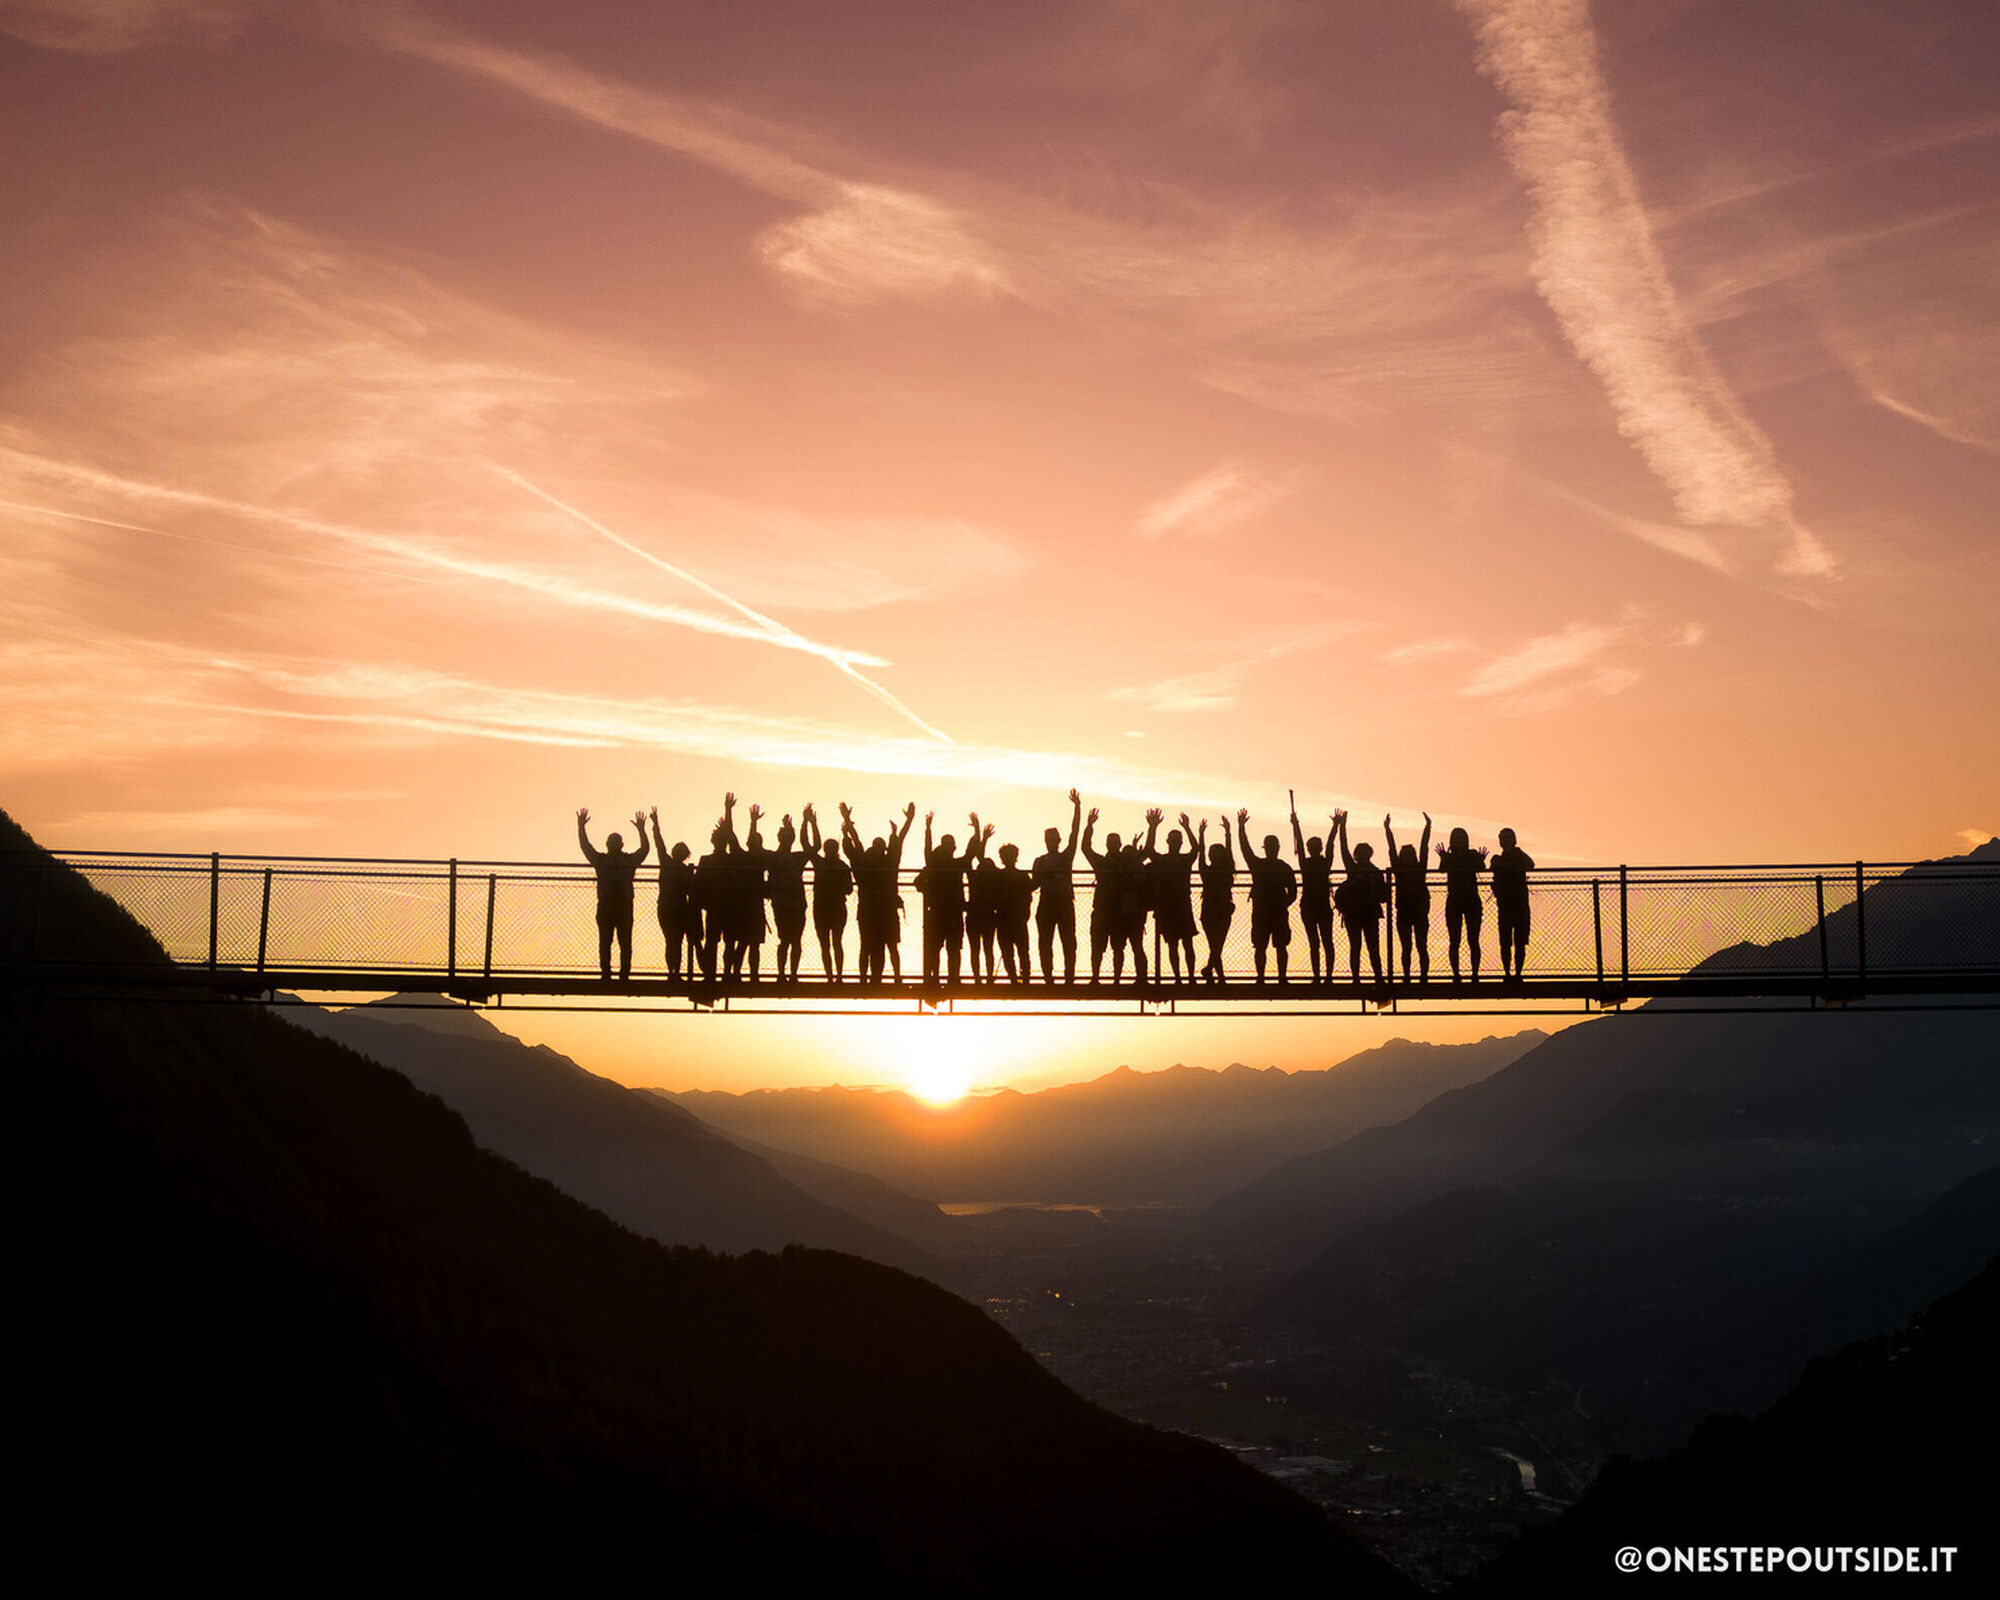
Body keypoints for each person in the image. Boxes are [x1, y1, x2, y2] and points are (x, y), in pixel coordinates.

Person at [843, 801, 916, 984]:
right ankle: (874, 978)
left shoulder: (873, 864)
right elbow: (856, 845)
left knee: (883, 947)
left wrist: (908, 822)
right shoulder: (882, 864)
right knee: (874, 947)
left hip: (877, 912)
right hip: (878, 912)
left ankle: (876, 978)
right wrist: (846, 823)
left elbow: (897, 840)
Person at [576, 806, 649, 981]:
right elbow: (586, 847)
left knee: (623, 942)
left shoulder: (617, 860)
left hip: (621, 905)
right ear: (609, 845)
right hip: (609, 904)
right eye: (613, 842)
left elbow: (644, 850)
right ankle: (608, 973)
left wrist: (641, 830)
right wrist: (581, 828)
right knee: (607, 941)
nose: (614, 845)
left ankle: (622, 974)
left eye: (616, 842)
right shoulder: (605, 860)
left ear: (619, 845)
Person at [916, 811, 987, 986]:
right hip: (937, 912)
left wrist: (977, 830)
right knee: (934, 949)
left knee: (954, 949)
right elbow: (919, 877)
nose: (947, 848)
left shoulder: (957, 864)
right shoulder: (933, 865)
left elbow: (972, 851)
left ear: (954, 848)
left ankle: (953, 979)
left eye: (950, 845)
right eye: (945, 845)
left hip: (954, 913)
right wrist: (928, 829)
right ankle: (934, 978)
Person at [1235, 808, 1297, 984]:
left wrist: (1284, 904)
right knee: (1263, 946)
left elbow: (1292, 892)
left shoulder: (1274, 867)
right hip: (1266, 911)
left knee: (1277, 946)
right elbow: (1245, 848)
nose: (1271, 849)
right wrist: (1241, 828)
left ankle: (1278, 978)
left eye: (1272, 847)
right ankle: (1266, 978)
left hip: (1272, 911)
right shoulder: (1276, 866)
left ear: (1275, 848)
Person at [1031, 789, 1083, 983]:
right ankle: (1048, 977)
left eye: (1053, 840)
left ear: (1058, 841)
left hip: (1063, 903)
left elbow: (1074, 833)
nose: (1050, 843)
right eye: (1048, 840)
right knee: (1045, 942)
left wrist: (1077, 808)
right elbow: (1033, 884)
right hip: (1047, 903)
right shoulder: (1040, 861)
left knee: (1069, 941)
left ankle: (1069, 977)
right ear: (1045, 842)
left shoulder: (1066, 856)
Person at [1331, 810, 1386, 985]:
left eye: (1364, 853)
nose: (1361, 856)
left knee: (1371, 948)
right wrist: (1342, 827)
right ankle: (1357, 979)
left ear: (1369, 854)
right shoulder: (1357, 869)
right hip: (1355, 914)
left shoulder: (1375, 872)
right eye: (1359, 853)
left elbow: (1383, 895)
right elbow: (1343, 847)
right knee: (1357, 947)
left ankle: (1377, 978)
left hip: (1368, 913)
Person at [800, 803, 853, 981]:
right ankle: (831, 975)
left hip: (834, 908)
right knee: (827, 944)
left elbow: (849, 889)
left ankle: (836, 975)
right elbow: (807, 845)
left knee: (835, 943)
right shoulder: (824, 864)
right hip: (824, 909)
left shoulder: (839, 866)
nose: (829, 851)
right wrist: (809, 823)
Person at [1290, 792, 1337, 983]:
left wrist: (1335, 827)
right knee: (1320, 942)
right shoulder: (1318, 863)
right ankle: (1323, 977)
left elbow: (1330, 844)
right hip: (1313, 906)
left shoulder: (1314, 863)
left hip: (1315, 906)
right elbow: (1301, 845)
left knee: (1319, 942)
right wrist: (1296, 825)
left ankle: (1323, 977)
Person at [647, 807, 697, 979]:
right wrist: (656, 825)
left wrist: (656, 825)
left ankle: (674, 972)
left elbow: (659, 845)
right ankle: (673, 972)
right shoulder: (671, 864)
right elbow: (659, 843)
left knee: (675, 942)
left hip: (675, 909)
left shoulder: (677, 867)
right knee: (673, 941)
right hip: (670, 908)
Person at [1383, 811, 1433, 982]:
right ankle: (1406, 976)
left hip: (1419, 912)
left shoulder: (1420, 869)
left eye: (1410, 854)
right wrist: (1387, 830)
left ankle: (1424, 977)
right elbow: (1391, 850)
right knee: (1406, 947)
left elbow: (1424, 848)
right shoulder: (1398, 870)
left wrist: (1428, 828)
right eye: (1404, 855)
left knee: (1421, 946)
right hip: (1404, 912)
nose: (1407, 857)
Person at [1151, 814, 1200, 983]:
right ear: (1168, 842)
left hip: (1182, 906)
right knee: (1173, 945)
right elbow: (1150, 850)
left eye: (1177, 840)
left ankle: (1191, 977)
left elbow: (1196, 849)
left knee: (1187, 943)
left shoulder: (1185, 860)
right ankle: (1178, 978)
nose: (1175, 842)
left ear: (1180, 843)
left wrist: (1187, 827)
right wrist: (1153, 827)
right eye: (1172, 839)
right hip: (1167, 907)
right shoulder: (1162, 860)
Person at [1436, 826, 1488, 982]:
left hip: (1471, 900)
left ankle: (1475, 974)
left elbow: (1482, 868)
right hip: (1454, 901)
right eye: (1456, 838)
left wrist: (1480, 860)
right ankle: (1456, 974)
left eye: (1461, 838)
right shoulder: (1449, 857)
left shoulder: (1472, 855)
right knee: (1454, 940)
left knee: (1473, 940)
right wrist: (1443, 857)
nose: (1458, 841)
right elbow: (1441, 870)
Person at [765, 813, 809, 981]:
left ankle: (792, 974)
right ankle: (782, 974)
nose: (786, 840)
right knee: (785, 940)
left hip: (796, 905)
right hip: (782, 905)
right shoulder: (773, 857)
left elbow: (813, 847)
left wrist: (805, 822)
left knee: (795, 940)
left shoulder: (797, 858)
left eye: (788, 837)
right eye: (783, 837)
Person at [1490, 827, 1536, 981]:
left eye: (1509, 837)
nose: (1507, 840)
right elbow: (1494, 865)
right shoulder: (1497, 858)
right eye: (1504, 837)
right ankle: (1508, 973)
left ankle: (1517, 974)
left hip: (1520, 904)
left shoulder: (1518, 854)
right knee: (1505, 942)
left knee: (1519, 941)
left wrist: (1510, 862)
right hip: (1505, 905)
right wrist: (1514, 867)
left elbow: (1531, 864)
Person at [1195, 816, 1234, 983]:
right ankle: (1217, 974)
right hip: (1213, 909)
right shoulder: (1212, 870)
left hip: (1219, 909)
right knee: (1216, 945)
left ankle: (1213, 972)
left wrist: (1228, 833)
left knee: (1216, 944)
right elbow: (1201, 853)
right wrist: (1201, 835)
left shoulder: (1225, 869)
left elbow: (1228, 850)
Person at [993, 841, 1035, 983]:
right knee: (1018, 952)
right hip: (1012, 920)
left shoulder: (1000, 876)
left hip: (1008, 920)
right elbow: (1029, 898)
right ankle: (1022, 978)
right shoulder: (1021, 876)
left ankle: (1017, 978)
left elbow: (1028, 898)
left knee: (1012, 952)